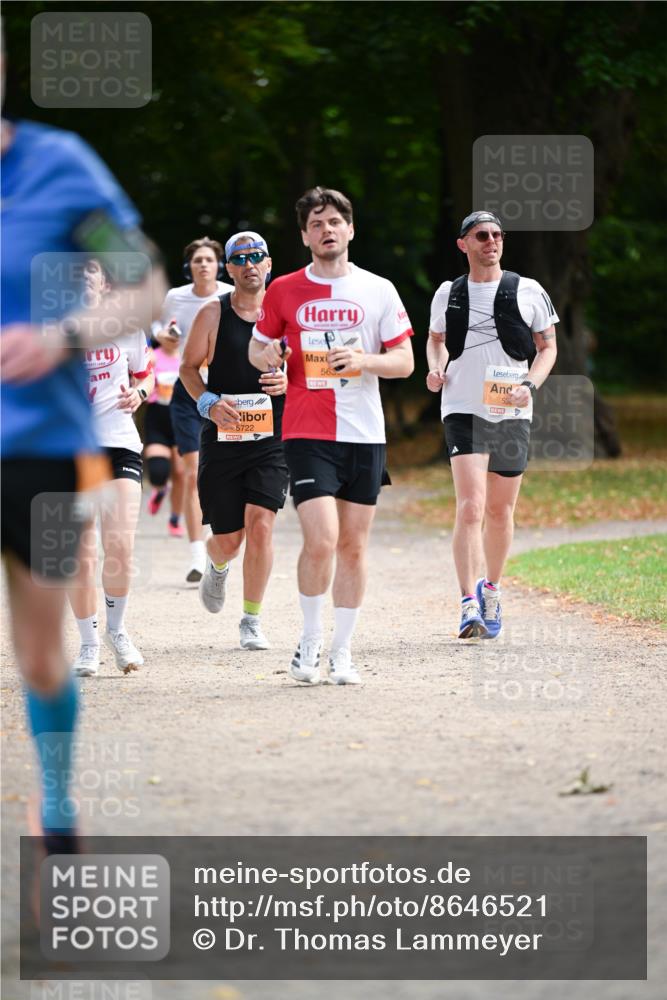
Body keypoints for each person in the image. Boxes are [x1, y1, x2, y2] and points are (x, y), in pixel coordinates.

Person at [1, 106, 166, 856]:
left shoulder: (59, 168)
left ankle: (58, 803)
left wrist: (63, 335)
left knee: (40, 653)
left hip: (40, 449)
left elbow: (144, 286)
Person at [249, 187, 414, 686]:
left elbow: (405, 362)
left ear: (350, 229)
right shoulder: (283, 289)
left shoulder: (378, 289)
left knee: (354, 548)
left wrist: (364, 360)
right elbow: (258, 349)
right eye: (317, 224)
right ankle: (311, 637)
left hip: (364, 433)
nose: (327, 230)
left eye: (335, 222)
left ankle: (343, 651)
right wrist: (270, 358)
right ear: (305, 236)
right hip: (306, 430)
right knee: (321, 541)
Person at [426, 210, 558, 639]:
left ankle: (492, 589)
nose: (491, 241)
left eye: (497, 235)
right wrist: (435, 368)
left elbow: (548, 347)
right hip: (462, 407)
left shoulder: (528, 290)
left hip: (510, 410)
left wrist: (530, 385)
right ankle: (468, 602)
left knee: (500, 512)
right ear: (463, 243)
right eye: (481, 235)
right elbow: (436, 339)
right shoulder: (448, 293)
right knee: (470, 506)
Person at [180, 231, 288, 650]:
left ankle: (251, 620)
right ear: (229, 269)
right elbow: (188, 368)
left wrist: (289, 382)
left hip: (272, 437)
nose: (249, 264)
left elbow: (307, 368)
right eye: (240, 259)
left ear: (269, 263)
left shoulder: (286, 312)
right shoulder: (213, 313)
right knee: (229, 540)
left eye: (256, 256)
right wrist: (207, 403)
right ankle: (218, 564)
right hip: (223, 437)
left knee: (261, 524)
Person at [69, 259, 154, 677]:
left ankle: (116, 631)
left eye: (90, 271)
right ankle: (88, 645)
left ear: (104, 282)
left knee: (119, 545)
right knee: (81, 554)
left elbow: (147, 373)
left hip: (119, 444)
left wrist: (140, 392)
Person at [154, 238, 234, 582]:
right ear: (190, 267)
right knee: (192, 472)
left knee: (224, 472)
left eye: (209, 260)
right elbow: (157, 329)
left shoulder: (231, 295)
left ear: (220, 266)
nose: (204, 265)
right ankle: (197, 555)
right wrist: (165, 337)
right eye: (198, 260)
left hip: (226, 392)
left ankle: (221, 540)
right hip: (187, 391)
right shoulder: (176, 297)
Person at [144, 331, 185, 537]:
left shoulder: (187, 355)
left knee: (180, 472)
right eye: (170, 334)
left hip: (181, 421)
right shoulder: (151, 356)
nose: (174, 338)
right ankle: (160, 489)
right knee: (158, 472)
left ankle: (175, 519)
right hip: (157, 419)